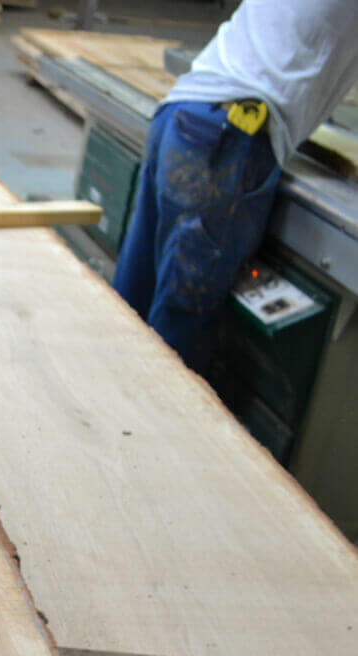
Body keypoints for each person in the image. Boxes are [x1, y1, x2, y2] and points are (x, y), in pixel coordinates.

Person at [112, 0, 358, 375]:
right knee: (180, 324)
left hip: (183, 113)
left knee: (131, 298)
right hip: (225, 143)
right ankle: (152, 410)